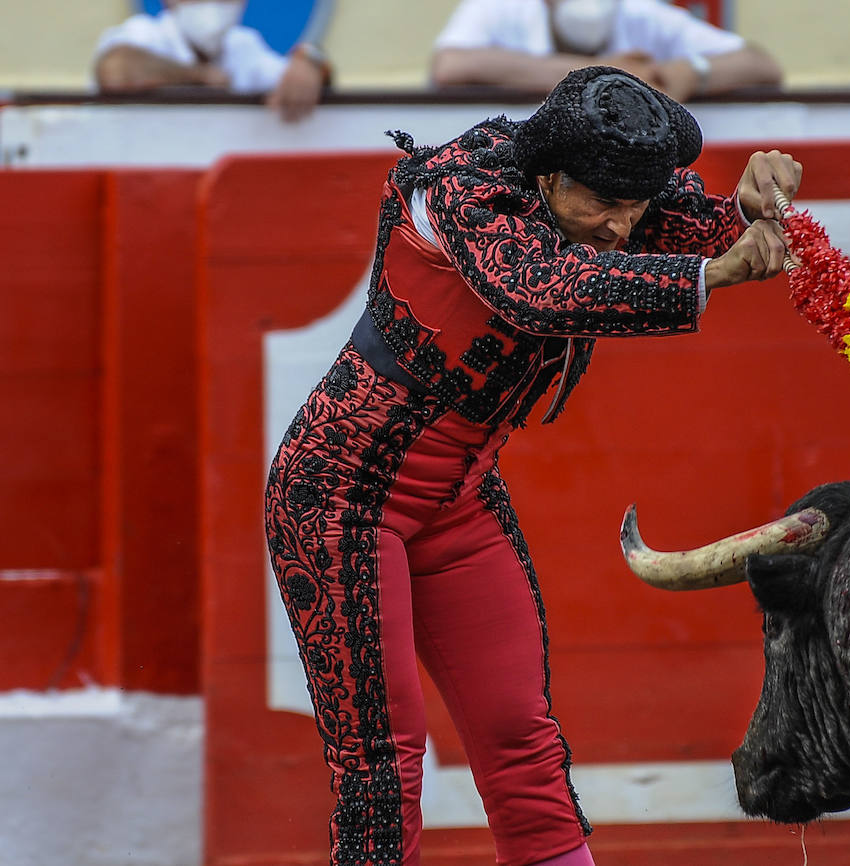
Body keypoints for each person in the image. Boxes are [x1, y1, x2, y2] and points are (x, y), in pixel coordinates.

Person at [264, 66, 799, 866]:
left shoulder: (594, 188)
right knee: (381, 767)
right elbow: (540, 289)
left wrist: (750, 205)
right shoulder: (464, 183)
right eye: (601, 207)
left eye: (634, 208)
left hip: (459, 502)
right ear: (548, 177)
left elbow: (690, 225)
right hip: (339, 495)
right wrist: (712, 271)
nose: (621, 228)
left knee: (524, 743)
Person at [430, 0, 783, 102]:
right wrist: (602, 73)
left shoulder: (642, 14)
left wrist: (692, 73)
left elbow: (762, 65)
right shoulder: (499, 8)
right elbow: (450, 65)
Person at [93, 0, 330, 122]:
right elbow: (115, 71)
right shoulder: (144, 34)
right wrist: (200, 76)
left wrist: (309, 60)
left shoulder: (244, 46)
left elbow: (295, 76)